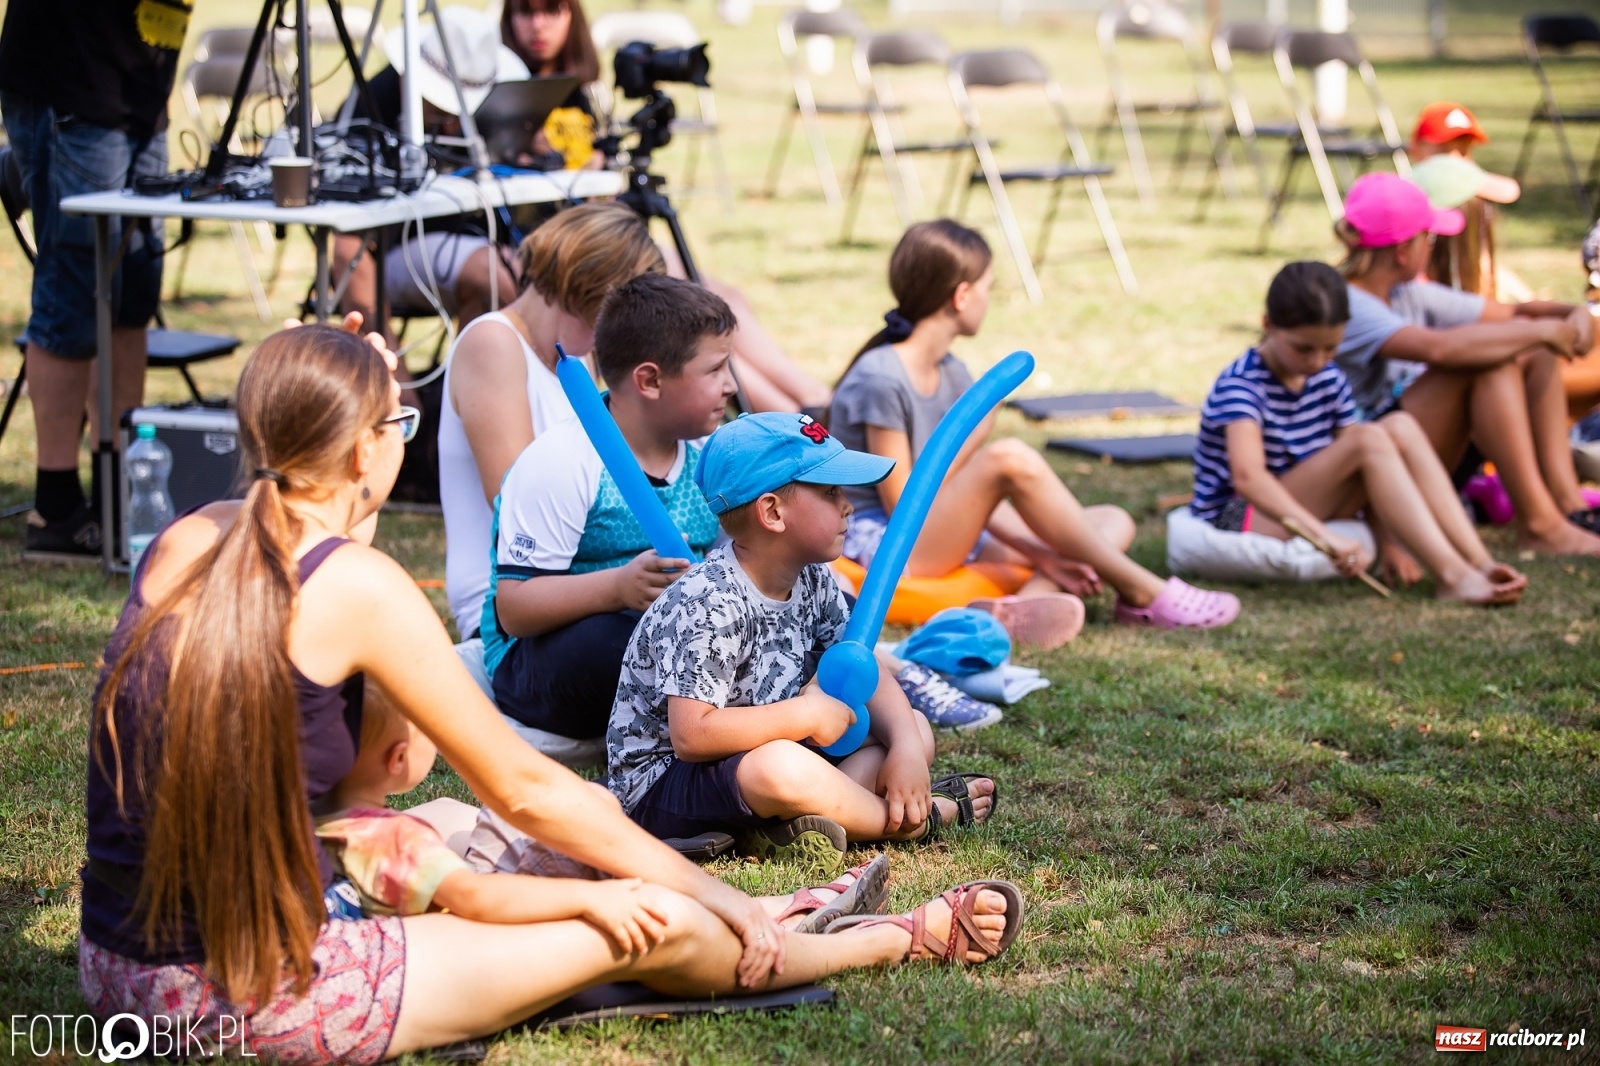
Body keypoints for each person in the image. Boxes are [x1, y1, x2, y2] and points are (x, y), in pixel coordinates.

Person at [79, 323, 1023, 1062]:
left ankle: (770, 909)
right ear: (365, 455)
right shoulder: (359, 591)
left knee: (450, 821)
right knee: (649, 927)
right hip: (250, 990)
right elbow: (528, 788)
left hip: (118, 968)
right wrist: (709, 893)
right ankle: (881, 940)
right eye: (398, 425)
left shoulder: (188, 542)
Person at [483, 273, 997, 751]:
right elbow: (515, 610)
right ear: (649, 380)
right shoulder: (562, 463)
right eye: (714, 369)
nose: (731, 384)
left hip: (691, 639)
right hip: (549, 659)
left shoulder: (708, 455)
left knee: (805, 603)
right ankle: (766, 726)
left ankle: (878, 674)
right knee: (623, 641)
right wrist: (616, 588)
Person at [608, 410, 1000, 873]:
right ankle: (917, 819)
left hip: (769, 755)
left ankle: (790, 824)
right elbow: (692, 736)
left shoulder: (814, 579)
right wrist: (805, 713)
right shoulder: (709, 602)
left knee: (911, 725)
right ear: (772, 512)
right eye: (831, 492)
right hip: (664, 785)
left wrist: (908, 751)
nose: (848, 505)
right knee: (779, 768)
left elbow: (856, 665)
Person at [829, 220, 1241, 639]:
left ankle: (1015, 610)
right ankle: (1141, 589)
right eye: (988, 288)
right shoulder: (880, 378)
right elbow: (906, 503)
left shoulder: (953, 372)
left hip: (942, 531)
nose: (990, 300)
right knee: (1008, 458)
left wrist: (1043, 554)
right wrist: (975, 439)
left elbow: (979, 497)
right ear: (962, 295)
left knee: (1111, 520)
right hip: (891, 545)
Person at [316, 678, 894, 937]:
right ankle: (780, 913)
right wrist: (593, 898)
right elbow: (476, 897)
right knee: (593, 816)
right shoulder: (390, 842)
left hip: (459, 892)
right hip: (509, 917)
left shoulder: (335, 823)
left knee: (449, 810)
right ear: (397, 762)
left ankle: (767, 907)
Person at [1191, 261, 1526, 604]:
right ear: (1268, 325)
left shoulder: (1327, 377)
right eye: (1304, 348)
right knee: (1367, 438)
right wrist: (1323, 537)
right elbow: (1249, 479)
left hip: (1308, 498)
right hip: (1240, 515)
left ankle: (1479, 562)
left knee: (1399, 426)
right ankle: (1452, 576)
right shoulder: (1242, 385)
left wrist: (1389, 542)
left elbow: (1367, 469)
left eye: (1330, 348)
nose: (1317, 360)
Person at [0, 0, 191, 560]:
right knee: (72, 296)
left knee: (132, 297)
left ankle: (120, 491)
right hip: (73, 83)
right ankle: (55, 507)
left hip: (141, 90)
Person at [1332, 173, 1600, 556]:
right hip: (1367, 477)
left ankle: (1567, 508)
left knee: (1530, 354)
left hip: (1415, 456)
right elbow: (1440, 350)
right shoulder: (1349, 305)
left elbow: (1515, 312)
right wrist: (1542, 332)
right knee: (1486, 362)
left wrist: (1573, 314)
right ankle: (1540, 526)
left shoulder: (1406, 293)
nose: (1434, 245)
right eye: (1430, 237)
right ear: (1404, 251)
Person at [442, 201, 665, 635]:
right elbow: (512, 498)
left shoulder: (578, 359)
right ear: (594, 289)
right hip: (510, 599)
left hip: (580, 577)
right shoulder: (493, 344)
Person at [332, 6, 532, 335]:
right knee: (495, 274)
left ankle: (464, 381)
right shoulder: (370, 104)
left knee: (521, 274)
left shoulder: (493, 111)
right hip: (395, 248)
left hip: (469, 236)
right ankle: (396, 383)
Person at [1407, 102, 1526, 300]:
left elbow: (1509, 190)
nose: (1455, 161)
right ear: (1416, 149)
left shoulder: (1471, 194)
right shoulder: (1411, 193)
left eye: (1463, 152)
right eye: (1444, 152)